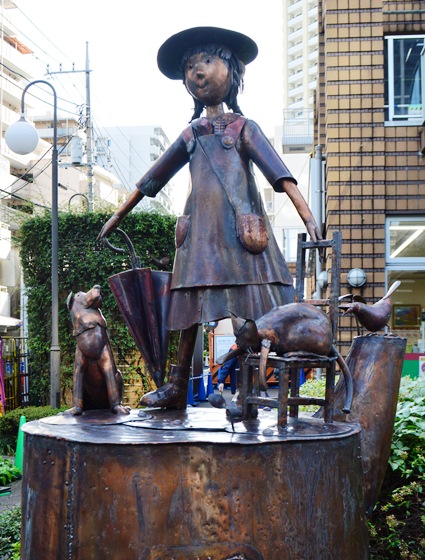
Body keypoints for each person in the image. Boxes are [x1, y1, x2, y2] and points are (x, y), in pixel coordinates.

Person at [98, 26, 322, 409]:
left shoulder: (243, 128)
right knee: (189, 313)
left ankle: (249, 389)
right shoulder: (192, 134)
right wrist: (117, 215)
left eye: (206, 61)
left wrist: (308, 216)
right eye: (189, 66)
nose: (197, 71)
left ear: (231, 70)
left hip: (240, 237)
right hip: (198, 236)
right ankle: (176, 386)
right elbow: (152, 178)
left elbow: (280, 175)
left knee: (248, 314)